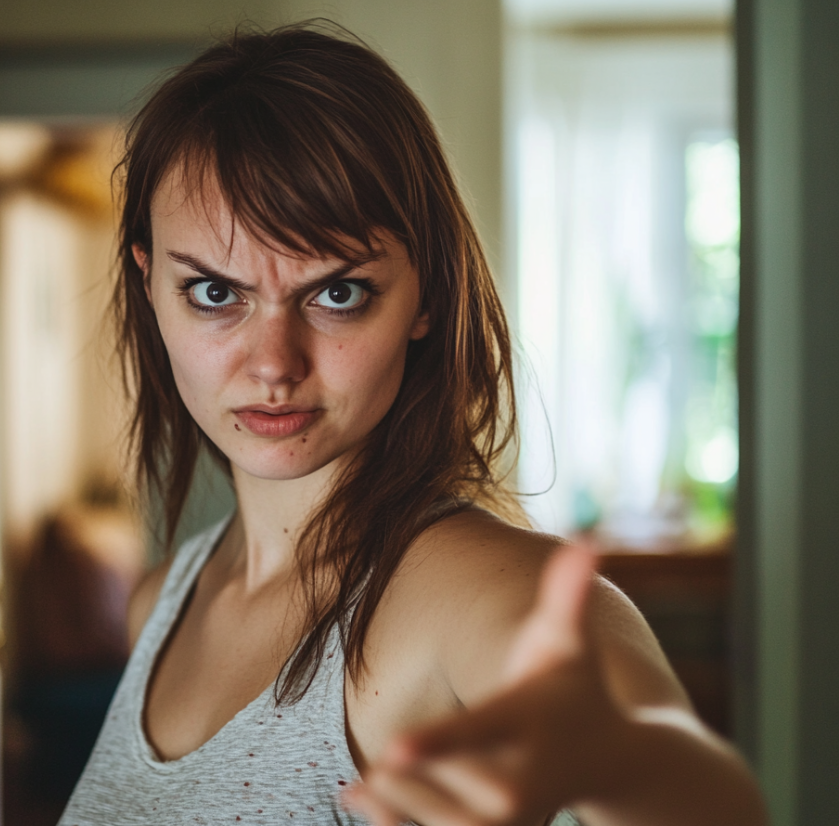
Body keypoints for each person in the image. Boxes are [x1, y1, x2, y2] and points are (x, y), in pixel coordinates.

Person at [60, 23, 766, 826]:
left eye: (336, 293)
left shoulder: (489, 596)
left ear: (425, 295)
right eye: (216, 294)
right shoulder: (159, 602)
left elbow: (708, 802)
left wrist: (616, 759)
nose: (272, 364)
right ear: (150, 284)